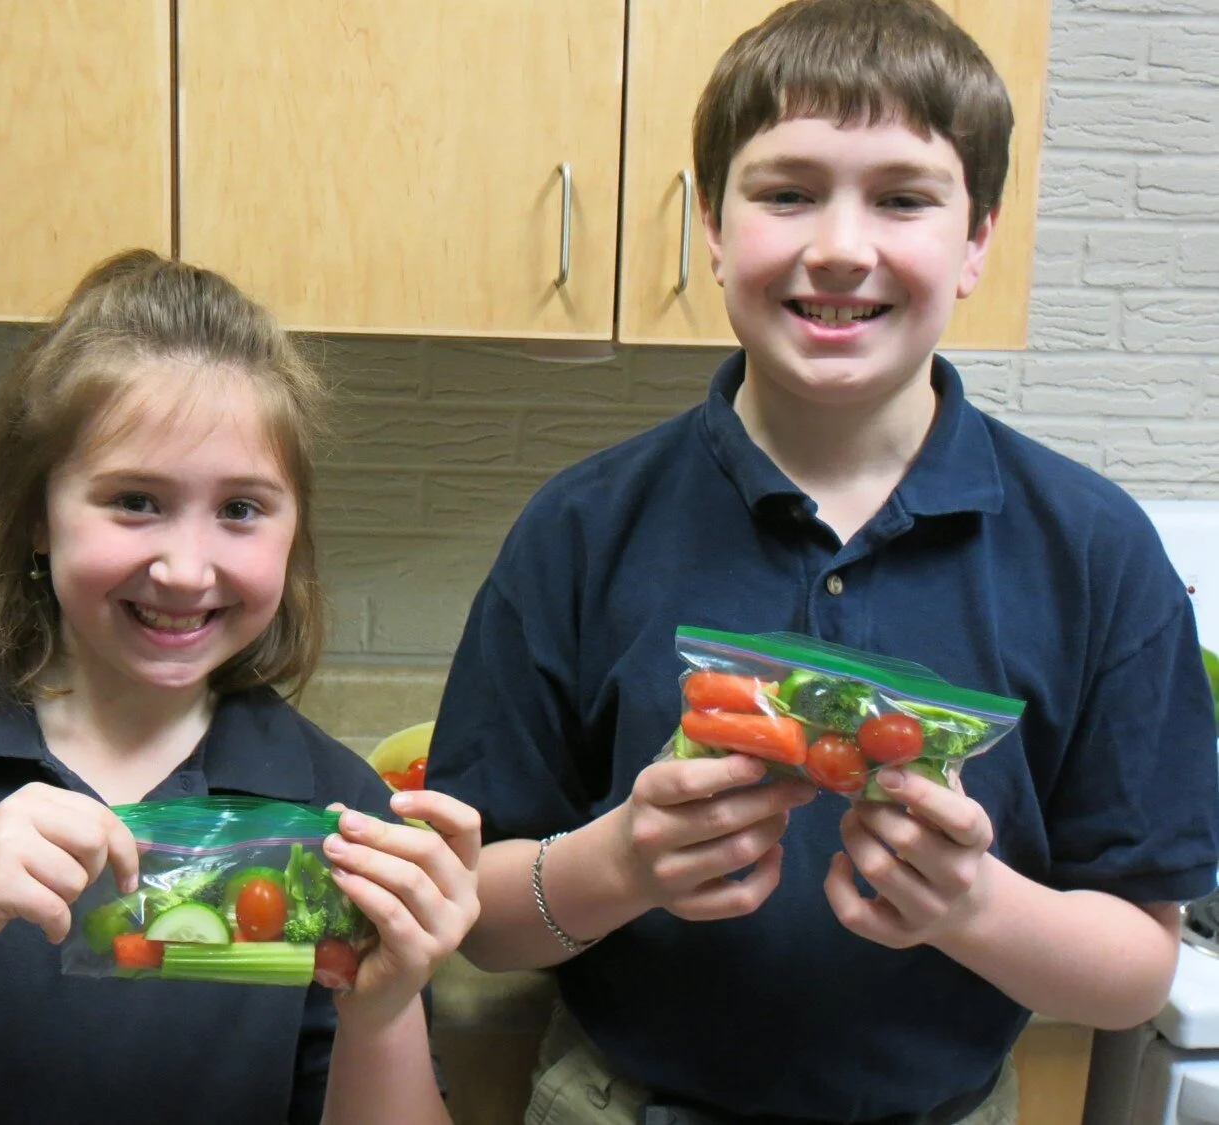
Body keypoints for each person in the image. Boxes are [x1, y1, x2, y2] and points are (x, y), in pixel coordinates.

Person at [425, 1, 1219, 1123]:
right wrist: (625, 863)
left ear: (979, 238)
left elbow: (1138, 963)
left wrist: (970, 905)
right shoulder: (580, 530)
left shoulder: (1095, 552)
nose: (841, 246)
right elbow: (477, 915)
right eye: (786, 191)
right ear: (710, 223)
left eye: (903, 197)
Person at [0, 250, 480, 1125]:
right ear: (39, 514)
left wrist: (382, 1008)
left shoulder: (334, 814)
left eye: (240, 509)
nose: (186, 569)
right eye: (134, 500)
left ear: (294, 528)